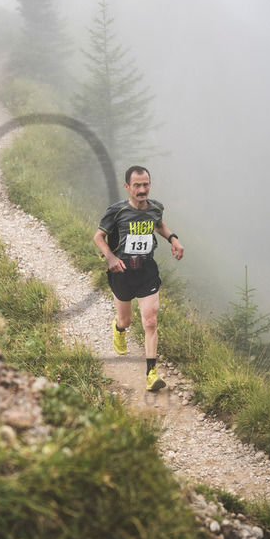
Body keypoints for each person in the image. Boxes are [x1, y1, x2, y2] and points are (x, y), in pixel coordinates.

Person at [93, 165, 184, 391]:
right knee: (126, 321)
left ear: (149, 184)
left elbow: (158, 224)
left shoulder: (155, 207)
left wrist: (173, 239)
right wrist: (111, 258)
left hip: (146, 270)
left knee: (150, 320)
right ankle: (119, 328)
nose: (142, 190)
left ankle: (151, 374)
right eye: (137, 186)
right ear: (127, 187)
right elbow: (99, 237)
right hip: (122, 271)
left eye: (145, 185)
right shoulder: (116, 211)